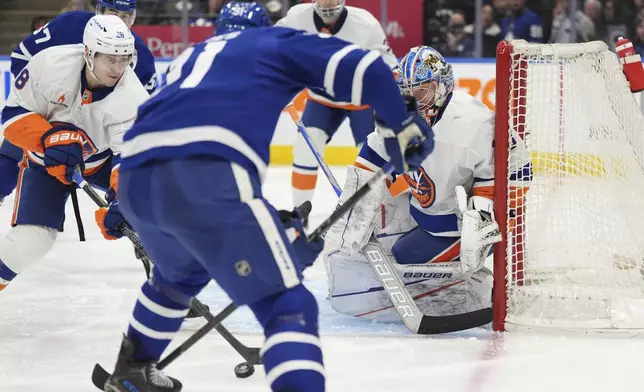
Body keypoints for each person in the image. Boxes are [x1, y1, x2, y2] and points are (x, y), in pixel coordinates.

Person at [101, 2, 433, 391]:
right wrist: (402, 128)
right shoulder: (274, 41)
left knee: (176, 279)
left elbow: (184, 155)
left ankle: (131, 371)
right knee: (287, 304)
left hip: (137, 178)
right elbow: (371, 68)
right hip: (208, 170)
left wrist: (272, 232)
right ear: (263, 27)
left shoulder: (190, 58)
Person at [323, 46, 529, 323]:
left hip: (460, 225)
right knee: (379, 247)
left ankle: (464, 293)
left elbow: (516, 168)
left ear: (442, 87)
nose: (414, 101)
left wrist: (480, 217)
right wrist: (354, 206)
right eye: (406, 93)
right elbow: (370, 164)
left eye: (422, 92)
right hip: (426, 213)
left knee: (401, 261)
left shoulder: (474, 123)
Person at [0, 14, 149, 293]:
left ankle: (168, 286)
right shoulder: (49, 65)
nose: (119, 68)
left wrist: (125, 202)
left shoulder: (134, 100)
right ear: (88, 53)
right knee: (32, 240)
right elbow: (11, 119)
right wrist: (47, 138)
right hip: (45, 165)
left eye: (124, 58)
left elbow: (129, 160)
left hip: (101, 163)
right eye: (110, 59)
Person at [0, 0, 156, 207]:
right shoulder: (70, 25)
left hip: (97, 140)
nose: (118, 21)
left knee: (143, 186)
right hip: (49, 116)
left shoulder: (141, 57)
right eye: (112, 13)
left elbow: (137, 120)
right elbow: (22, 55)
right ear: (99, 10)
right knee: (11, 153)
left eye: (126, 16)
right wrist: (44, 106)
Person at [275, 0, 397, 216]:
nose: (327, 3)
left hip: (361, 100)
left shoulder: (365, 24)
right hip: (321, 98)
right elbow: (272, 44)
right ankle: (299, 215)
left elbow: (389, 65)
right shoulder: (296, 17)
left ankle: (379, 214)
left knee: (371, 158)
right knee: (305, 150)